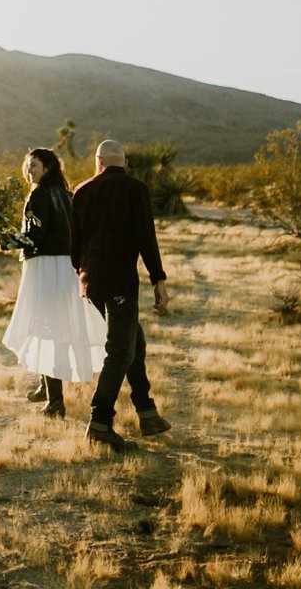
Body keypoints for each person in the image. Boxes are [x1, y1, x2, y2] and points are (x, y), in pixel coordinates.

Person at [71, 138, 171, 451]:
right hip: (120, 283)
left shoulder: (82, 190)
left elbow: (74, 245)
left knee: (133, 342)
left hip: (90, 284)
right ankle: (100, 422)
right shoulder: (135, 189)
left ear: (98, 162)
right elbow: (146, 238)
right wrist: (158, 280)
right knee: (120, 351)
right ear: (124, 163)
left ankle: (147, 412)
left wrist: (83, 273)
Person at [1, 147, 105, 418]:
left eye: (34, 165)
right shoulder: (66, 195)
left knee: (45, 327)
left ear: (47, 168)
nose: (29, 170)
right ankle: (47, 387)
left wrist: (0, 240)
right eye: (27, 165)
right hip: (66, 267)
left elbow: (33, 238)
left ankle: (55, 400)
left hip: (46, 267)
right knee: (54, 328)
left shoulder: (38, 195)